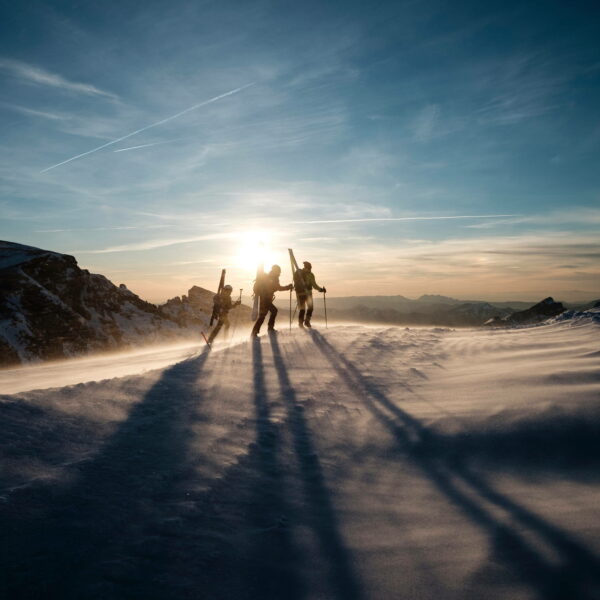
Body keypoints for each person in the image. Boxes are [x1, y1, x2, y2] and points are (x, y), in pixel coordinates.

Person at [251, 265, 292, 337]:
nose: (279, 273)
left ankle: (255, 332)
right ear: (276, 271)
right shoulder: (272, 278)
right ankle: (269, 328)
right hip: (266, 299)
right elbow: (278, 288)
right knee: (273, 311)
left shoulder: (270, 277)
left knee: (263, 315)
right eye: (279, 271)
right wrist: (288, 287)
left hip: (264, 299)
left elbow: (276, 288)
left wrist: (287, 287)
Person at [296, 261, 325, 328]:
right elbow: (314, 285)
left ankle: (301, 323)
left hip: (300, 294)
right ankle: (307, 322)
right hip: (308, 294)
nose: (310, 269)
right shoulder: (310, 275)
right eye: (309, 267)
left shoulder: (299, 274)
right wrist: (321, 290)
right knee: (310, 308)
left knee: (302, 309)